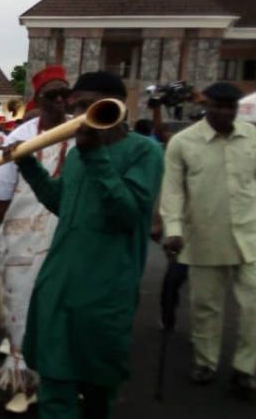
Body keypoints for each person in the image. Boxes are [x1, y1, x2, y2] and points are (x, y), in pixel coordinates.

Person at [11, 71, 163, 419]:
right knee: (55, 387)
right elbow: (60, 203)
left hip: (104, 295)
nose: (78, 113)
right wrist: (27, 163)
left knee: (97, 391)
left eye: (87, 104)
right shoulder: (79, 154)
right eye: (75, 106)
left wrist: (95, 156)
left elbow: (127, 213)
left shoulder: (144, 152)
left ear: (117, 106)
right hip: (58, 287)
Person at [160, 81, 256, 397]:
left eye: (231, 107)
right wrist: (173, 230)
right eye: (219, 106)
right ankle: (206, 362)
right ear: (206, 105)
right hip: (205, 235)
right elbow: (172, 191)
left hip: (251, 235)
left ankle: (244, 369)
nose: (225, 112)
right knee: (205, 306)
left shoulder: (251, 135)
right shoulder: (183, 143)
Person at [0, 65, 72, 413]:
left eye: (67, 94)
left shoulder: (83, 132)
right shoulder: (18, 137)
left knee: (61, 313)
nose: (62, 101)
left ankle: (58, 381)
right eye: (53, 95)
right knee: (20, 309)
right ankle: (25, 381)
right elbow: (0, 193)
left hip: (65, 239)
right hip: (20, 238)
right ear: (39, 99)